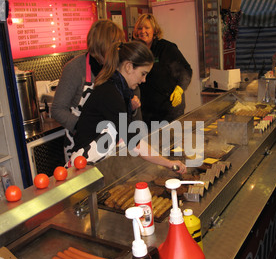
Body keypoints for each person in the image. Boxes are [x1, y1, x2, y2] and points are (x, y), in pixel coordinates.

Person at [68, 40, 186, 174]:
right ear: (129, 67)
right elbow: (134, 142)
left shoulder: (118, 90)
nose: (144, 80)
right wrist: (169, 163)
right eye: (143, 73)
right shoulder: (110, 93)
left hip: (97, 164)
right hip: (84, 166)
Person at [51, 19, 142, 162]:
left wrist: (132, 108)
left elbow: (125, 108)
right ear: (101, 45)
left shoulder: (120, 67)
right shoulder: (75, 69)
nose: (120, 50)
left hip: (113, 143)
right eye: (116, 45)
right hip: (81, 144)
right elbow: (57, 109)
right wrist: (82, 128)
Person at [133, 13, 193, 129]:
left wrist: (180, 88)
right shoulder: (136, 50)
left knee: (171, 143)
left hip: (169, 109)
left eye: (147, 27)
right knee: (151, 144)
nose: (143, 31)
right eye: (139, 28)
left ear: (154, 30)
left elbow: (186, 69)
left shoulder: (166, 48)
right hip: (146, 111)